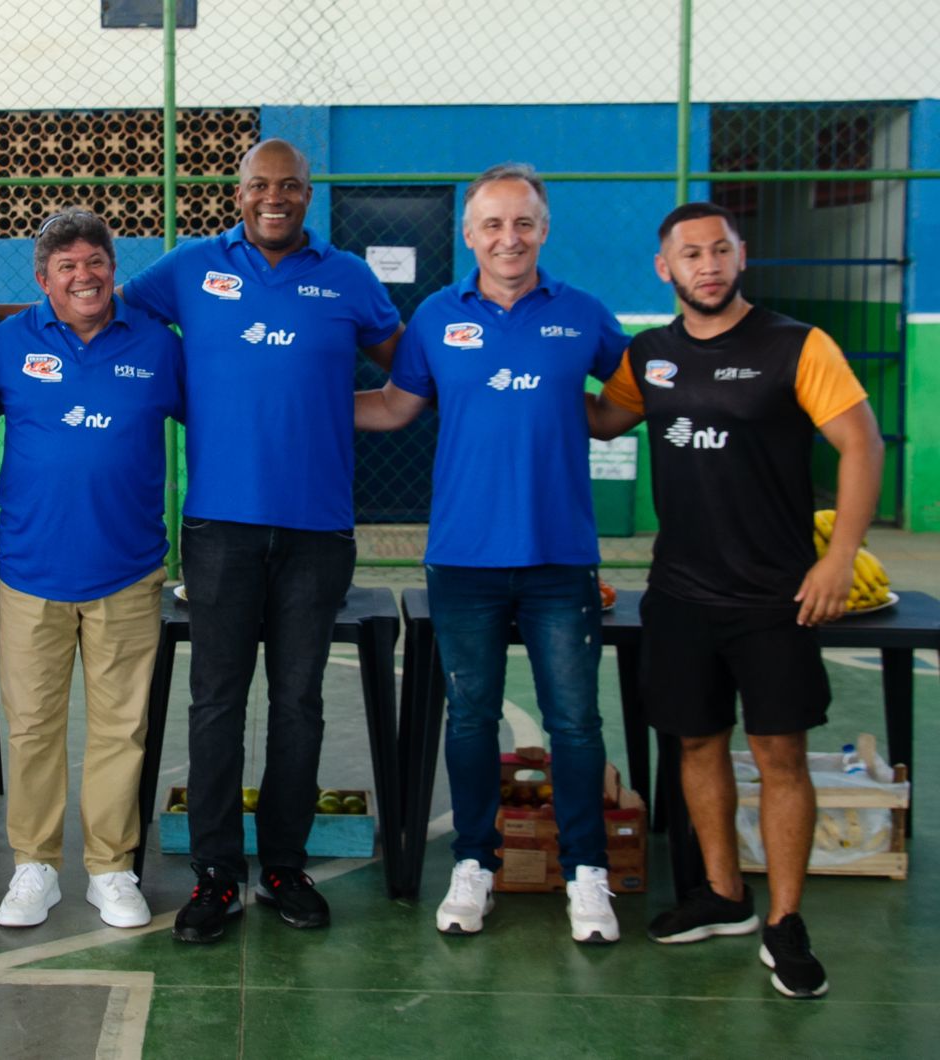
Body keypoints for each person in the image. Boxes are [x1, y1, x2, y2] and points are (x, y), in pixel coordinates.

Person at [590, 201, 882, 997]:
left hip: (774, 597)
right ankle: (724, 895)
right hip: (681, 594)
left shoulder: (795, 345)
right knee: (695, 744)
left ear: (741, 255)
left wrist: (840, 558)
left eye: (719, 250)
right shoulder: (649, 356)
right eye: (690, 254)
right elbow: (604, 421)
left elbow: (861, 441)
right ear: (665, 268)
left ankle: (786, 922)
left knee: (780, 755)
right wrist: (509, 379)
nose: (708, 265)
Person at [120, 139, 404, 943]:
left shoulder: (347, 277)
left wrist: (336, 410)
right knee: (216, 702)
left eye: (289, 186)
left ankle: (283, 865)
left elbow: (411, 372)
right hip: (220, 529)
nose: (273, 198)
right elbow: (101, 312)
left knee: (298, 702)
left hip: (318, 530)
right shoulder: (189, 268)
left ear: (309, 194)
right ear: (237, 192)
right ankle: (216, 872)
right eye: (258, 185)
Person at [355, 162, 628, 944]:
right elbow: (396, 406)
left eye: (524, 223)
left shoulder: (582, 314)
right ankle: (474, 862)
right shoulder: (437, 317)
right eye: (494, 224)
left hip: (560, 558)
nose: (510, 237)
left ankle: (586, 872)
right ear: (468, 234)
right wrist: (299, 403)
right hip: (464, 559)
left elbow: (627, 398)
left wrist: (590, 416)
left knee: (575, 722)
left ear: (544, 230)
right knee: (471, 718)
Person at [0, 210, 184, 929]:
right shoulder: (8, 343)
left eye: (95, 262)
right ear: (43, 279)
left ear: (113, 270)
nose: (84, 276)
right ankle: (34, 866)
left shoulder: (157, 345)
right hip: (29, 573)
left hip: (128, 573)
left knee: (121, 730)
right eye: (67, 266)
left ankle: (110, 868)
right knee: (32, 727)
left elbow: (214, 419)